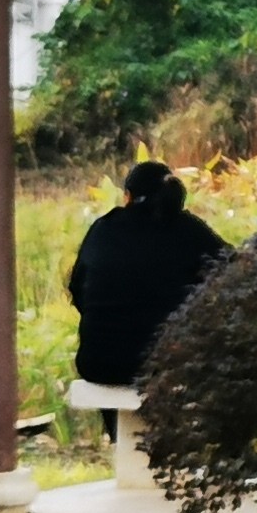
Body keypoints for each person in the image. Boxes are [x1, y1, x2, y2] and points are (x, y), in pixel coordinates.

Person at [68, 160, 229, 389]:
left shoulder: (103, 229)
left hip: (98, 363)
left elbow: (77, 288)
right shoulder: (189, 230)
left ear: (127, 196)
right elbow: (232, 272)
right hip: (168, 362)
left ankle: (114, 427)